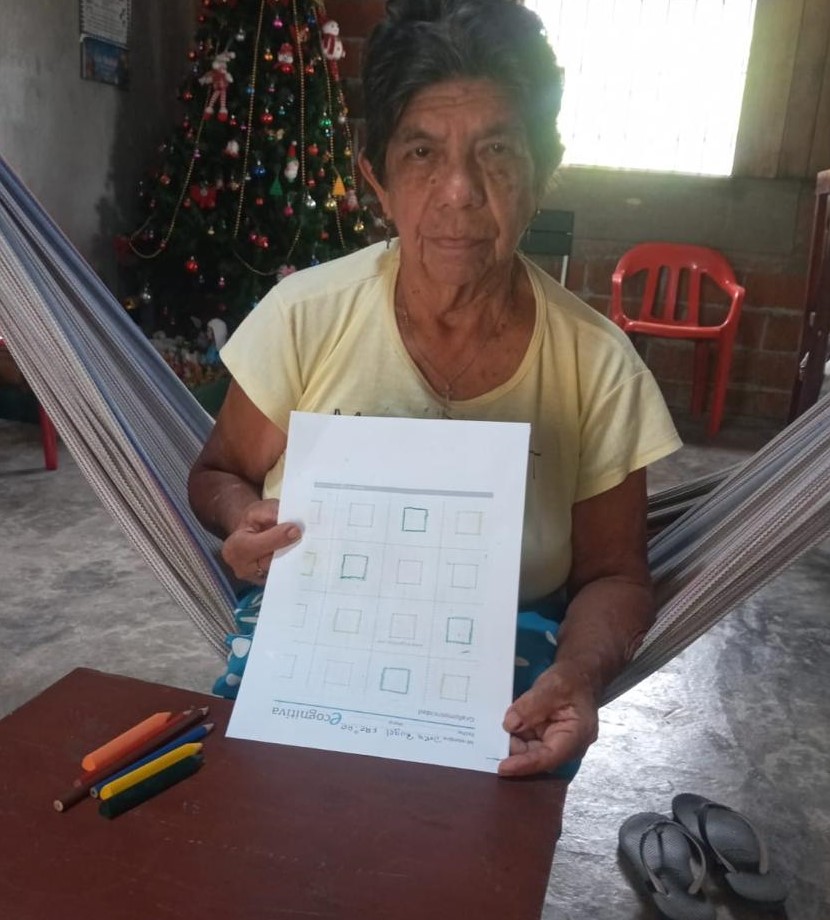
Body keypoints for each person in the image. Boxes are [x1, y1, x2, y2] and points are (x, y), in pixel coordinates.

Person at [188, 0, 682, 778]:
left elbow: (615, 576)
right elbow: (217, 474)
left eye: (497, 151)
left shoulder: (597, 366)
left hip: (507, 680)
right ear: (376, 180)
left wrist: (579, 675)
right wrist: (238, 518)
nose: (459, 191)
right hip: (309, 647)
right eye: (422, 152)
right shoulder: (305, 318)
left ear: (542, 173)